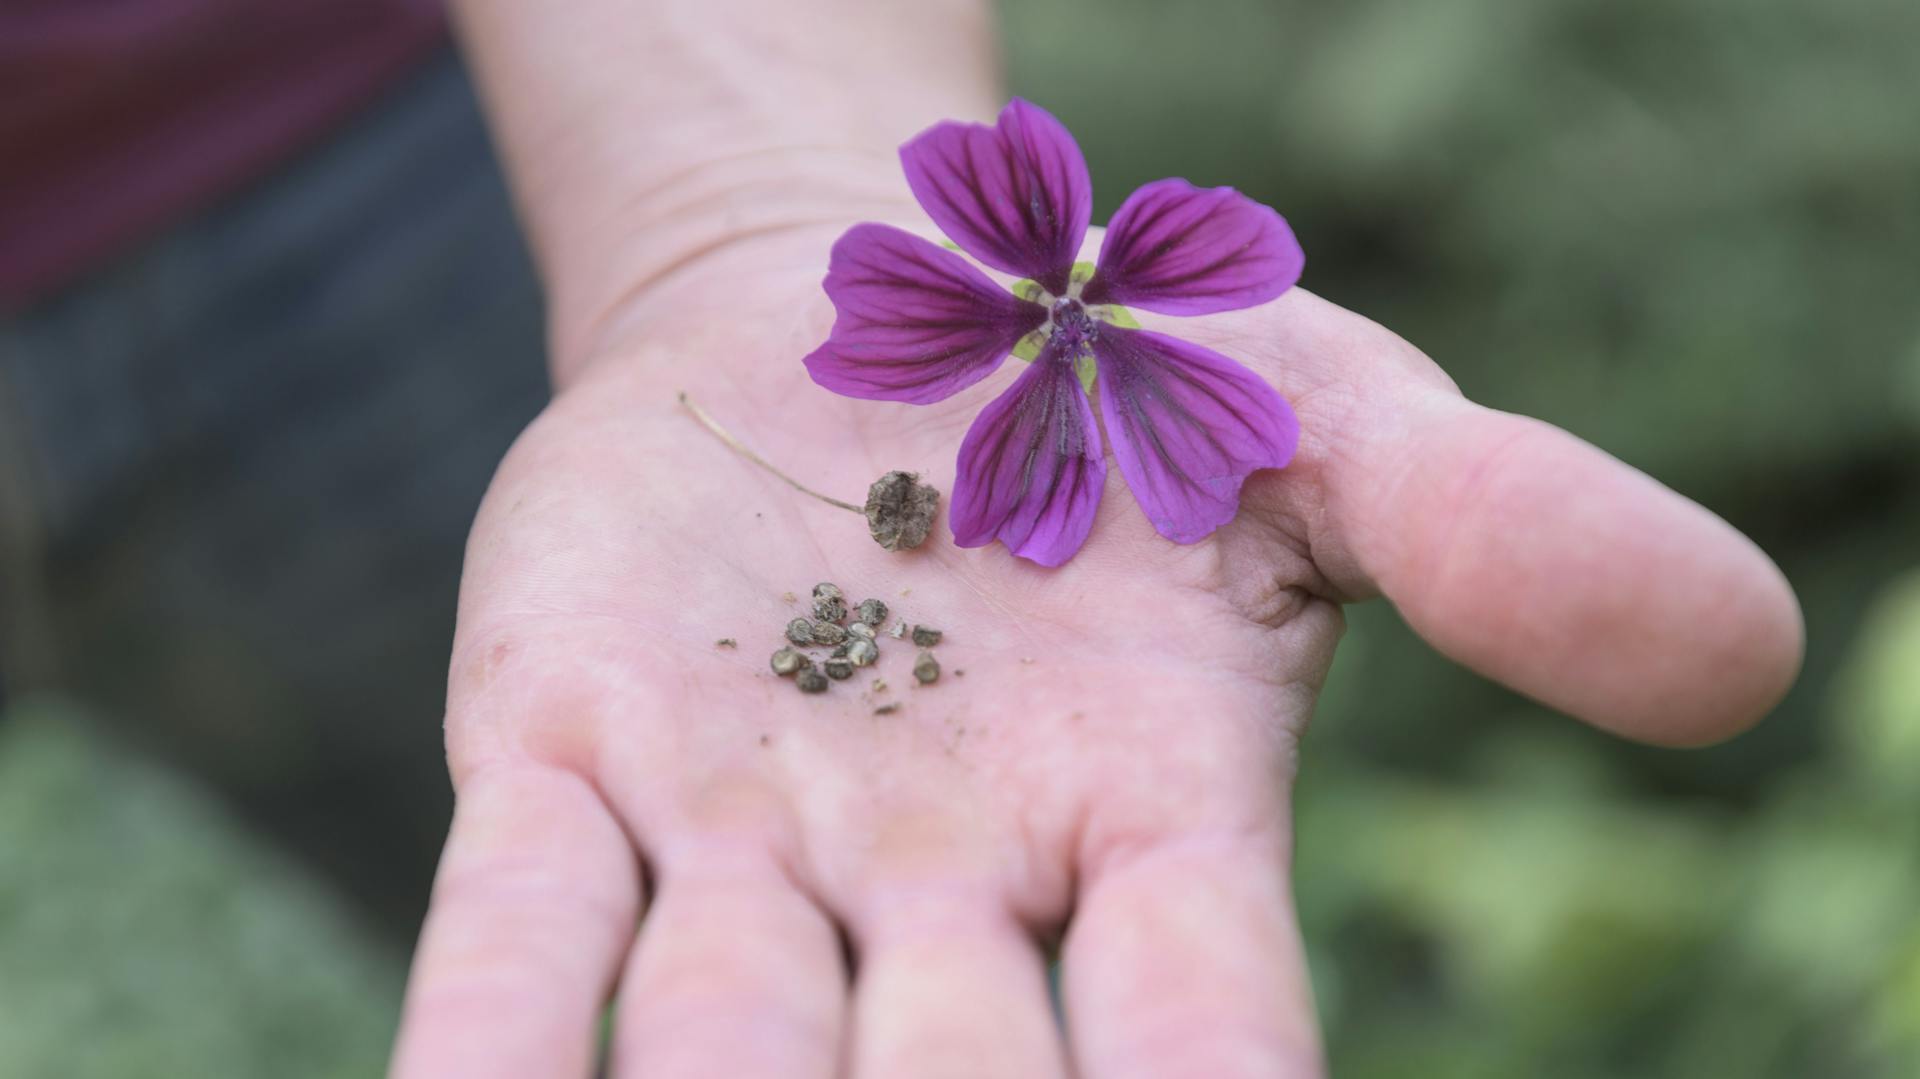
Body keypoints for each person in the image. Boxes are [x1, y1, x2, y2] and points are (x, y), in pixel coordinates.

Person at [3, 2, 1804, 1076]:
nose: (1058, 331)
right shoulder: (1045, 329)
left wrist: (730, 213)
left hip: (330, 133)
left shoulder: (1084, 332)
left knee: (512, 784)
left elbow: (1059, 338)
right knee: (472, 785)